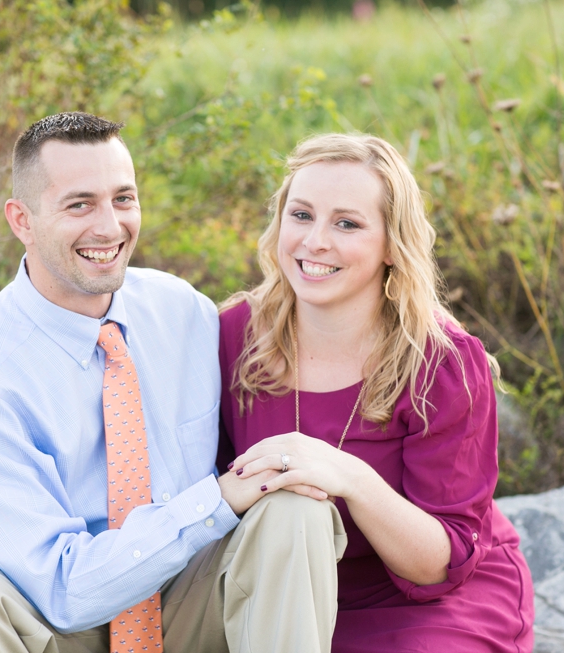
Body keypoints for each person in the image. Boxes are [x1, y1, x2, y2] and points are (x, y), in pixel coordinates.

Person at [0, 112, 347, 653]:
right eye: (79, 204)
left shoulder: (183, 312)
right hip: (65, 628)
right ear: (21, 219)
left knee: (293, 509)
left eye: (123, 199)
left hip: (191, 602)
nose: (109, 227)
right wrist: (215, 502)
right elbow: (63, 589)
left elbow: (310, 329)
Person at [217, 133, 535, 653]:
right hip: (284, 589)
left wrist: (352, 479)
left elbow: (439, 563)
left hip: (427, 602)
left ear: (392, 243)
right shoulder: (233, 336)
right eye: (301, 215)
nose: (315, 241)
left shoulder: (442, 363)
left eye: (347, 223)